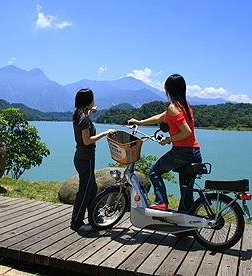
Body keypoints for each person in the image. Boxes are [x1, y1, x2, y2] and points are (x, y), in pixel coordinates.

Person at [128, 74, 202, 213]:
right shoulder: (185, 106)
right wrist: (140, 122)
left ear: (170, 89)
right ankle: (186, 226)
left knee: (154, 170)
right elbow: (161, 117)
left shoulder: (173, 107)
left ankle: (161, 202)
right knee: (186, 191)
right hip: (194, 152)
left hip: (182, 152)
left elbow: (186, 132)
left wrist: (169, 139)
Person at [71, 88, 116, 231]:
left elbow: (85, 115)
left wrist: (92, 110)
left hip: (82, 158)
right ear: (89, 101)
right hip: (86, 159)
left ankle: (95, 217)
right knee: (84, 191)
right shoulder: (84, 119)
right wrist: (105, 133)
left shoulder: (79, 114)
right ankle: (76, 222)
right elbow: (87, 141)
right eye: (92, 100)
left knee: (92, 189)